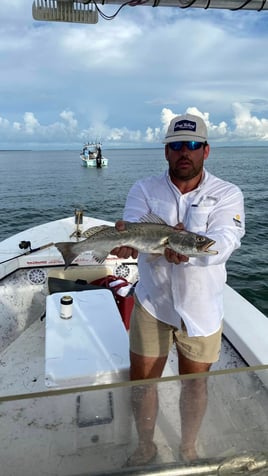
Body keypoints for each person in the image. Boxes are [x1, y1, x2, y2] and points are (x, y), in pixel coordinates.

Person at [111, 113, 245, 465]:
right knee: (141, 383)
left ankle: (188, 447)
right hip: (153, 304)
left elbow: (226, 240)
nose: (184, 152)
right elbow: (133, 228)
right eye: (176, 146)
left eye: (192, 145)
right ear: (166, 152)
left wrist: (189, 252)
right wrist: (127, 241)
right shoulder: (143, 189)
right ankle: (145, 445)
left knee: (196, 384)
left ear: (206, 150)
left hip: (201, 308)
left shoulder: (227, 194)